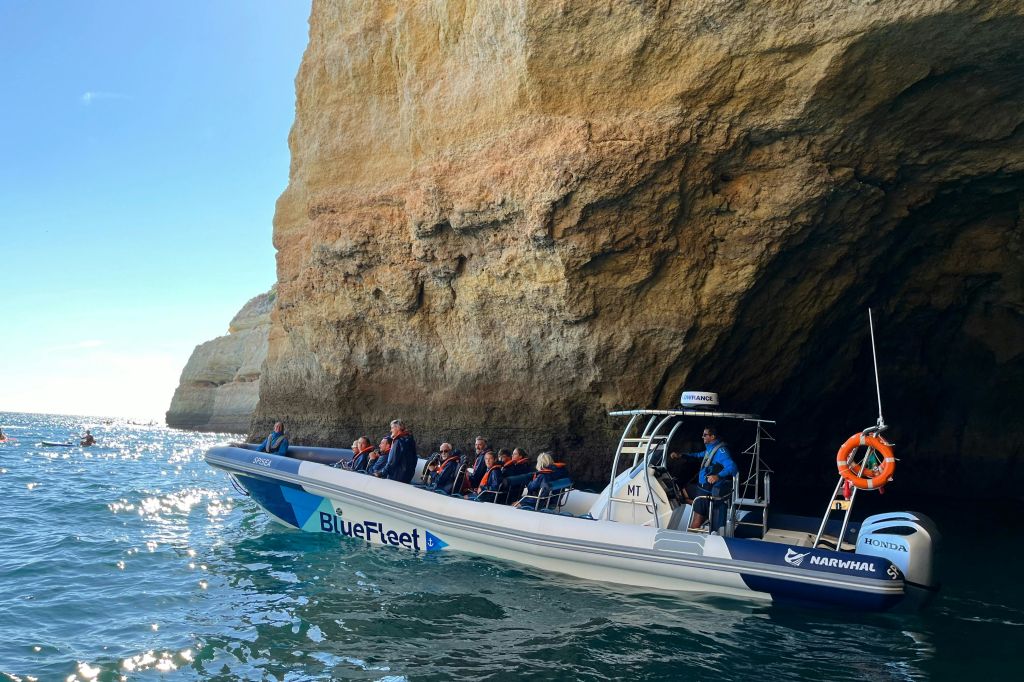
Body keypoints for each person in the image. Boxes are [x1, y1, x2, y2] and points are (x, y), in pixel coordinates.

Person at [681, 426, 737, 531]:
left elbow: (732, 467)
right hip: (701, 487)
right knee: (684, 490)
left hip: (706, 489)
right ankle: (693, 503)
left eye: (705, 435)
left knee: (696, 521)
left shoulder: (720, 451)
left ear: (712, 436)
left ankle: (691, 538)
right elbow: (698, 455)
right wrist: (682, 455)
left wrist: (718, 476)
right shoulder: (710, 449)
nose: (702, 437)